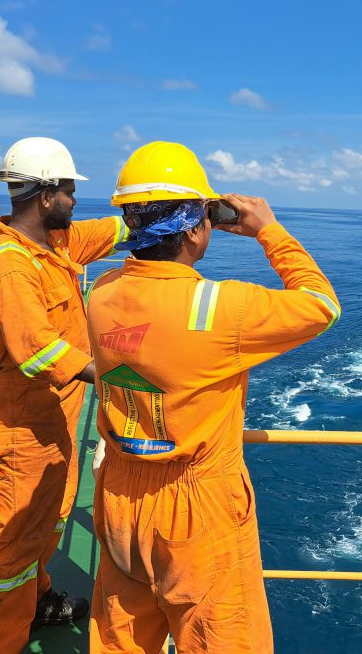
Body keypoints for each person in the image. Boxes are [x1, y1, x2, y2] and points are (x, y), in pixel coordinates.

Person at [86, 141, 341, 653]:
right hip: (196, 511)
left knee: (120, 640)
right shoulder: (221, 307)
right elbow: (321, 305)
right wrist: (269, 230)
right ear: (194, 227)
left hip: (118, 496)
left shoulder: (103, 292)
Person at [0, 136, 130, 654]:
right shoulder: (11, 268)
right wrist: (115, 379)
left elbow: (112, 231)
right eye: (68, 189)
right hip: (22, 425)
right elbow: (36, 352)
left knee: (49, 521)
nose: (75, 199)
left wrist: (186, 211)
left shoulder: (53, 246)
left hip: (56, 417)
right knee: (10, 550)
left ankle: (36, 603)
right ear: (44, 196)